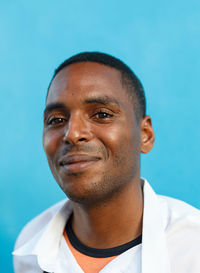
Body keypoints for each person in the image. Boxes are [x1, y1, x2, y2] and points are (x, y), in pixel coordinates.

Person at [13, 52, 200, 273]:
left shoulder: (191, 248)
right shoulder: (31, 248)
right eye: (56, 120)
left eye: (101, 114)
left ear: (145, 135)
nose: (72, 133)